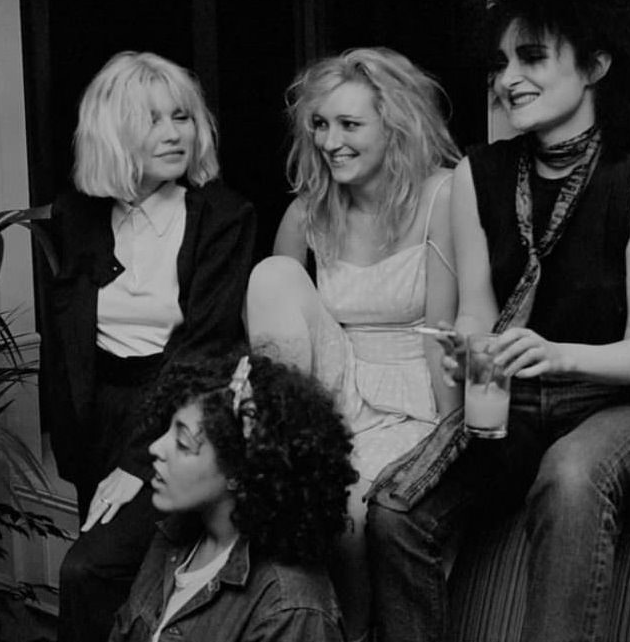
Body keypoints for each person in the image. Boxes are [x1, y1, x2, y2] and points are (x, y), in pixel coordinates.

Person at [366, 0, 630, 642]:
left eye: (533, 58)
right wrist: (467, 355)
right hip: (514, 405)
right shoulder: (475, 175)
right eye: (501, 62)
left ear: (597, 66)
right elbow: (477, 315)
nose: (508, 78)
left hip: (624, 406)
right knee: (394, 511)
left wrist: (551, 353)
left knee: (570, 474)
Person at [245, 46, 460, 640]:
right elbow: (279, 319)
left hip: (417, 391)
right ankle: (282, 454)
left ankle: (354, 631)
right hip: (336, 385)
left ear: (395, 125)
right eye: (320, 124)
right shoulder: (308, 213)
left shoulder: (446, 196)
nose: (330, 141)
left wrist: (452, 442)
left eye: (349, 125)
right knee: (271, 275)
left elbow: (445, 331)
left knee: (352, 509)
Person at [42, 51, 256, 642]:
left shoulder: (223, 215)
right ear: (113, 132)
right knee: (129, 585)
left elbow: (208, 346)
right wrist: (79, 445)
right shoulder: (76, 214)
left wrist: (138, 460)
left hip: (177, 416)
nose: (173, 133)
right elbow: (67, 342)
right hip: (98, 420)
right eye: (153, 119)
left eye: (181, 117)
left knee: (90, 571)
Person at [108, 353, 356, 641]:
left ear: (238, 472)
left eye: (183, 443)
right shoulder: (174, 537)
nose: (156, 448)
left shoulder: (291, 609)